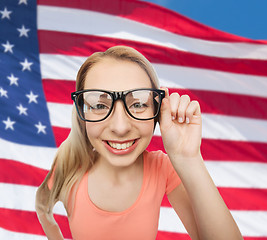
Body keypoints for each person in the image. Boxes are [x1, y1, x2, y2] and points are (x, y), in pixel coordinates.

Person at [36, 46, 243, 240]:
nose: (120, 127)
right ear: (82, 112)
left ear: (158, 110)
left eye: (138, 104)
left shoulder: (161, 168)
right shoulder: (69, 167)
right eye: (99, 105)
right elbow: (42, 205)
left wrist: (188, 157)